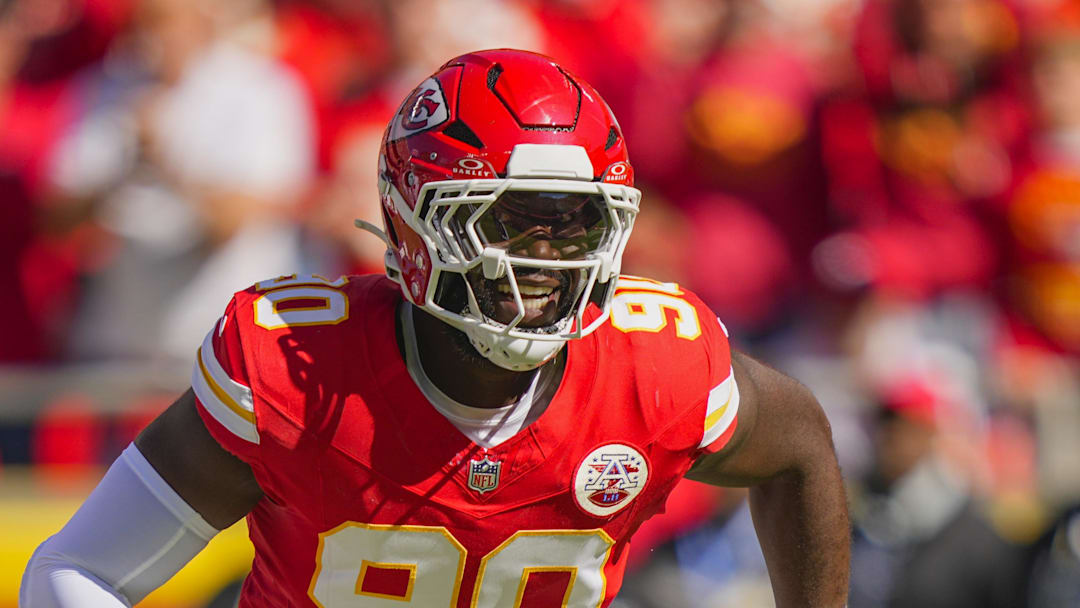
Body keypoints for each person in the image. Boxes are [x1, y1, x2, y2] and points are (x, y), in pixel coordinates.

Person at [20, 49, 850, 607]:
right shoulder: (298, 372)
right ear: (413, 224)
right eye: (515, 223)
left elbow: (800, 449)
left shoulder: (655, 368)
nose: (548, 261)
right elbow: (74, 571)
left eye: (576, 226)